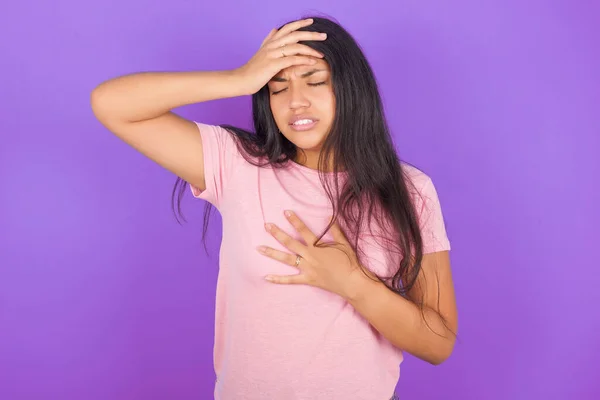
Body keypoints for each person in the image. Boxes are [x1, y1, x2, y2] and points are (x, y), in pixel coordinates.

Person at [91, 15, 458, 400]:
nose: (295, 101)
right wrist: (240, 79)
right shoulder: (237, 164)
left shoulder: (410, 190)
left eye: (316, 81)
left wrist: (353, 283)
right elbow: (111, 103)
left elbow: (438, 343)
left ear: (352, 90)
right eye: (277, 88)